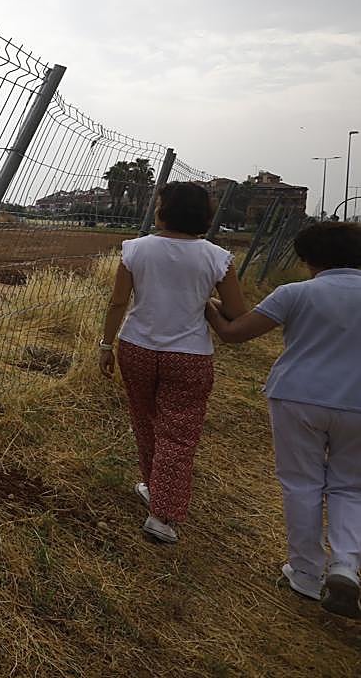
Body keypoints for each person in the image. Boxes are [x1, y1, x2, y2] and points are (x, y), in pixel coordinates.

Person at [206, 222, 361, 618]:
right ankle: (345, 565)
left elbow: (235, 333)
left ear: (307, 258)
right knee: (351, 487)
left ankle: (306, 573)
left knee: (301, 482)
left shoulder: (296, 293)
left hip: (297, 396)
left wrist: (208, 307)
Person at [99, 182, 247, 543]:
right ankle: (163, 515)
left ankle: (154, 487)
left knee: (145, 420)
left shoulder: (135, 250)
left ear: (163, 210)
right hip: (189, 355)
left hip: (136, 347)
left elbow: (118, 303)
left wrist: (106, 344)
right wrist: (207, 304)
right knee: (178, 433)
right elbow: (237, 312)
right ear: (204, 215)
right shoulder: (217, 258)